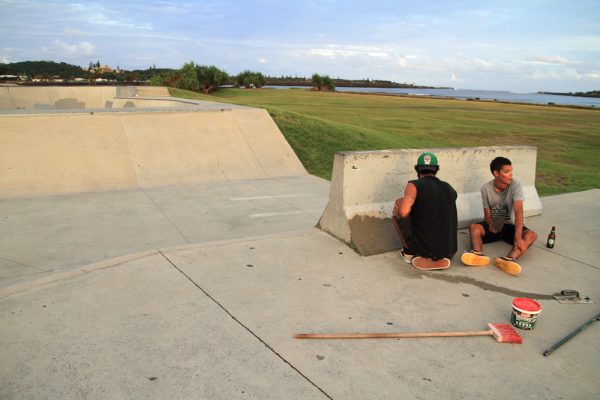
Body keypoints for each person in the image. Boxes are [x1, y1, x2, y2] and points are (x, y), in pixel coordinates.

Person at [461, 156, 538, 275]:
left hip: (511, 226)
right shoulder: (485, 188)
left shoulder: (515, 185)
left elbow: (518, 211)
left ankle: (509, 259)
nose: (511, 175)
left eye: (511, 171)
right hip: (496, 225)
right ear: (496, 173)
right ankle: (477, 254)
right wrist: (491, 224)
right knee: (474, 227)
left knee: (531, 235)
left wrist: (518, 237)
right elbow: (487, 214)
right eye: (507, 172)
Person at [392, 152, 458, 270]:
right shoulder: (449, 187)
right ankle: (440, 257)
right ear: (436, 170)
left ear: (417, 170)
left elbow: (403, 213)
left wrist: (402, 202)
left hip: (426, 250)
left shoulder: (414, 185)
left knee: (400, 204)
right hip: (450, 250)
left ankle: (409, 252)